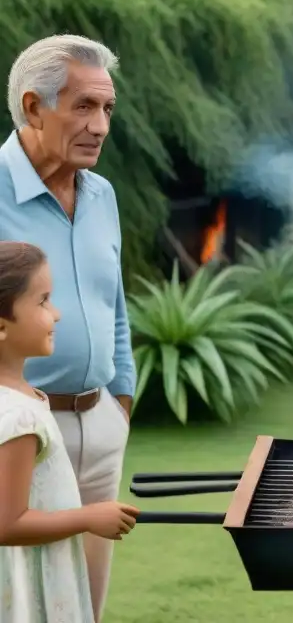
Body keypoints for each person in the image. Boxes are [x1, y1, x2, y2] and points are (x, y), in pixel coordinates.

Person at [0, 35, 135, 621]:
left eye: (106, 108)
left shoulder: (102, 194)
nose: (100, 125)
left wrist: (120, 400)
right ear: (33, 107)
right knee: (21, 598)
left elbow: (117, 306)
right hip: (16, 434)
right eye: (83, 106)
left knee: (82, 605)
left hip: (100, 422)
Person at [0, 241, 139, 623]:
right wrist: (89, 517)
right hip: (32, 588)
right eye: (43, 301)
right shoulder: (17, 419)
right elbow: (7, 523)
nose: (57, 314)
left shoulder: (19, 398)